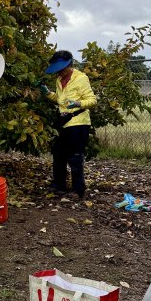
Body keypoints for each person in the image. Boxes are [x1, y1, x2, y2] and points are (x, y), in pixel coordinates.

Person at [40, 50, 97, 198]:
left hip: (79, 124)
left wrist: (78, 103)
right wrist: (47, 93)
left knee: (75, 158)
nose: (59, 72)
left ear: (69, 65)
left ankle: (78, 191)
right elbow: (60, 100)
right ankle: (60, 187)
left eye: (61, 68)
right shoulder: (59, 80)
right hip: (64, 123)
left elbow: (92, 100)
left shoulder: (81, 78)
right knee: (58, 155)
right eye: (57, 69)